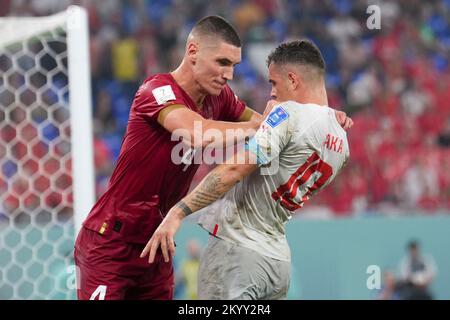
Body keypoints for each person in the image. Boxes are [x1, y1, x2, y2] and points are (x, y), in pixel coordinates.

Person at [75, 15, 352, 300]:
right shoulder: (156, 91)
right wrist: (261, 125)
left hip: (158, 242)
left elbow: (272, 128)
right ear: (193, 51)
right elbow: (199, 134)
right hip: (111, 239)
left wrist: (322, 117)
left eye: (233, 65)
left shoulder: (219, 98)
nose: (229, 74)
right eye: (222, 62)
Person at [141, 40, 351, 300]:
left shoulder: (288, 114)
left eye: (274, 83)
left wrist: (179, 212)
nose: (272, 93)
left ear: (293, 80)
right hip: (277, 263)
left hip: (238, 253)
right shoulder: (342, 142)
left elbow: (235, 169)